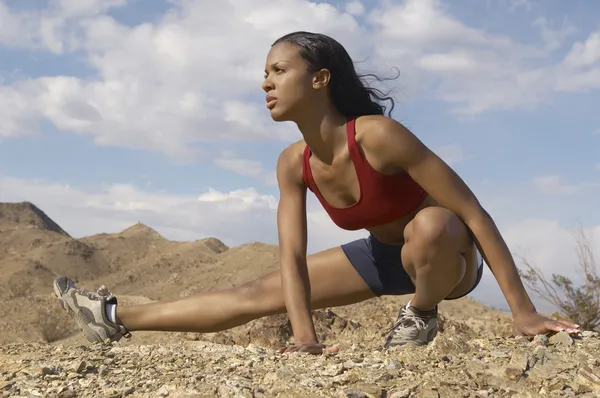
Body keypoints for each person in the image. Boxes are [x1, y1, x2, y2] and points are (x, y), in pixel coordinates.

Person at [53, 31, 580, 355]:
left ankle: (421, 314)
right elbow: (293, 258)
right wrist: (304, 335)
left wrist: (523, 311)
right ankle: (113, 318)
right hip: (383, 256)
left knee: (432, 223)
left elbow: (475, 213)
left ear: (321, 79)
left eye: (279, 71)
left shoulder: (377, 135)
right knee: (256, 293)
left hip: (449, 260)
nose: (266, 83)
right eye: (264, 74)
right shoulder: (292, 164)